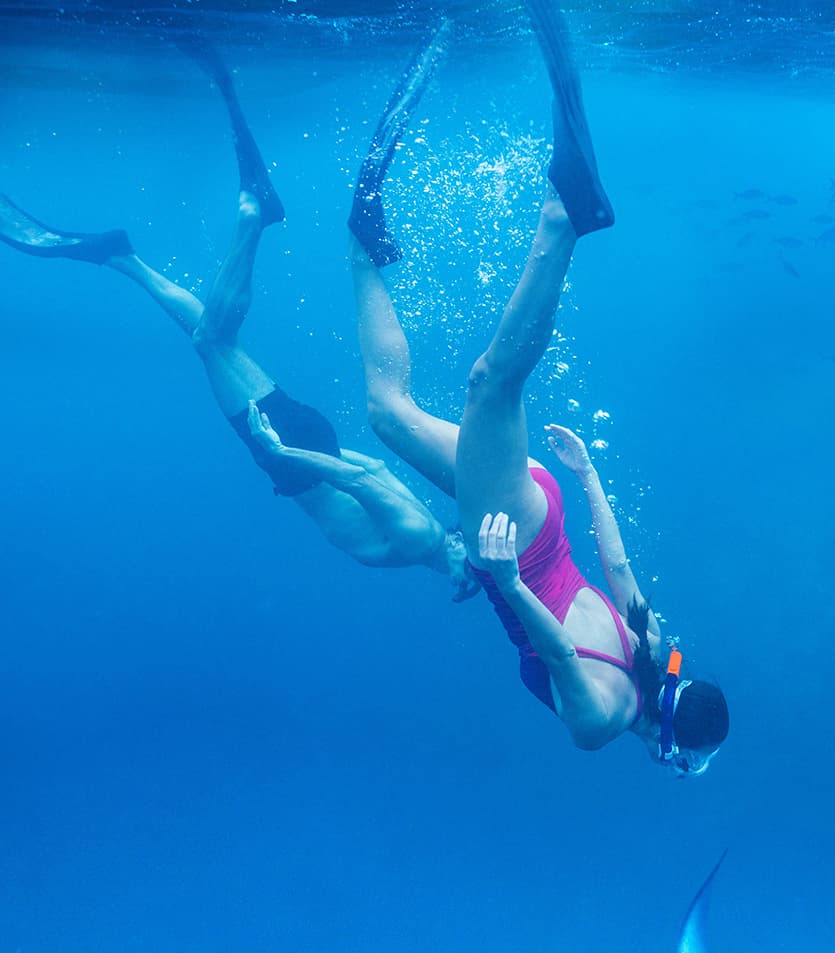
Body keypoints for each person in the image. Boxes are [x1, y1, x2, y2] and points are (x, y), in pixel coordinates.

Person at [347, 9, 730, 773]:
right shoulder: (608, 718)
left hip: (538, 514)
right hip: (513, 541)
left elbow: (618, 569)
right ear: (667, 742)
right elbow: (555, 651)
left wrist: (588, 480)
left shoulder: (657, 649)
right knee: (491, 387)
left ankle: (364, 245)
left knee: (387, 415)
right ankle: (564, 220)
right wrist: (504, 579)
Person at [0, 40, 478, 598]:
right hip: (292, 454)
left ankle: (119, 255)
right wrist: (282, 451)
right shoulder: (418, 541)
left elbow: (371, 468)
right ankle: (252, 213)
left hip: (304, 448)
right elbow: (353, 478)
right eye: (473, 575)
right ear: (460, 547)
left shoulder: (421, 528)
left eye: (471, 582)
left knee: (211, 337)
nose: (468, 582)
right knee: (210, 341)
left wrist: (304, 451)